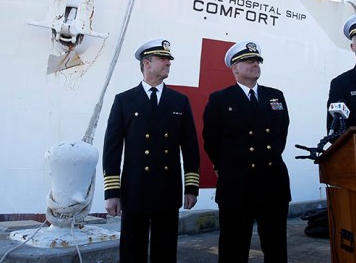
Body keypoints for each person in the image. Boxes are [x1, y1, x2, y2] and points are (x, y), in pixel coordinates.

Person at [102, 38, 201, 263]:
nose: (168, 63)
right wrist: (112, 193)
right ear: (146, 63)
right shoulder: (124, 100)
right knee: (132, 251)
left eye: (168, 59)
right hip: (135, 190)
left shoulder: (179, 101)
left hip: (167, 189)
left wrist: (191, 187)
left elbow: (190, 147)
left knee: (165, 252)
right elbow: (112, 149)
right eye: (163, 59)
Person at [202, 40, 291, 263]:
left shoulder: (275, 96)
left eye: (257, 60)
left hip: (272, 182)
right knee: (233, 247)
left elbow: (281, 134)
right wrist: (231, 166)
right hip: (237, 184)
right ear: (235, 68)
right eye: (248, 61)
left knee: (276, 245)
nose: (255, 64)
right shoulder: (220, 99)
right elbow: (211, 140)